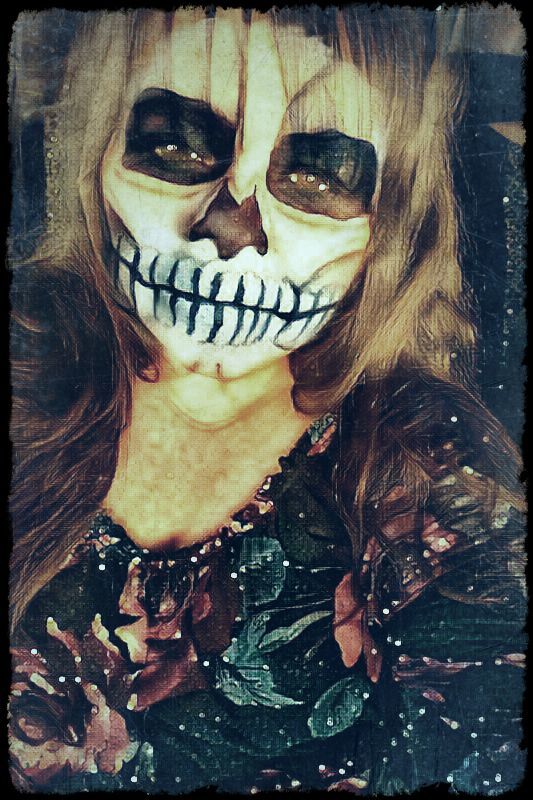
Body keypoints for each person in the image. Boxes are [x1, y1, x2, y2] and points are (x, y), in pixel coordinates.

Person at [8, 6, 526, 794]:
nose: (233, 229)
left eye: (317, 175)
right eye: (177, 145)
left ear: (387, 223)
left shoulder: (431, 470)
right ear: (94, 154)